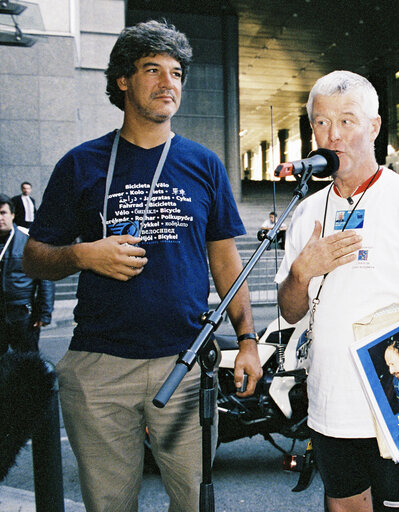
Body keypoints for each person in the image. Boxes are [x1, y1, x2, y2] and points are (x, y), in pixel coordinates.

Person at [22, 20, 261, 511]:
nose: (168, 82)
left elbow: (225, 261)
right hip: (99, 367)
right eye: (153, 69)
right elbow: (34, 257)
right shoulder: (80, 163)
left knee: (195, 502)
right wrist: (83, 254)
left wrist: (247, 342)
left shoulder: (204, 164)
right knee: (110, 505)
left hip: (185, 361)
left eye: (176, 73)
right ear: (123, 80)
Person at [276, 70, 399, 512]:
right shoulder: (305, 212)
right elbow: (290, 313)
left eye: (347, 121)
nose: (333, 135)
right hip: (329, 408)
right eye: (321, 123)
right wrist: (302, 273)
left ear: (375, 127)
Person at [0, 194, 54, 354]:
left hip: (23, 312)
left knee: (27, 362)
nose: (0, 218)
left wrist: (45, 312)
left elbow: (45, 278)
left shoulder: (28, 242)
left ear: (13, 215)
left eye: (3, 213)